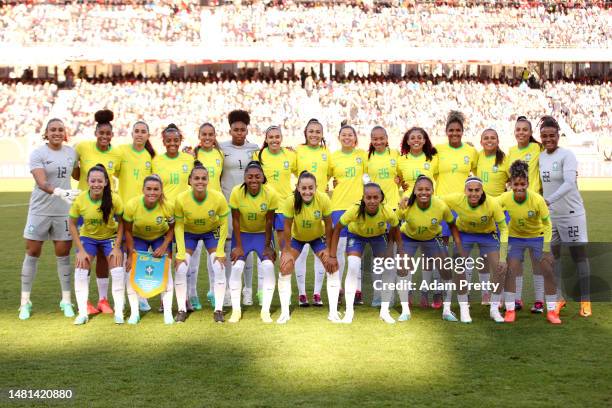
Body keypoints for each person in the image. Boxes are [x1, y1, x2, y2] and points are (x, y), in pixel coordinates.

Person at [19, 118, 79, 320]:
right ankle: (24, 303)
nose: (57, 132)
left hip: (64, 211)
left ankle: (66, 300)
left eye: (60, 129)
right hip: (40, 210)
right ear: (46, 132)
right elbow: (42, 182)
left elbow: (80, 174)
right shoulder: (38, 153)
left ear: (65, 132)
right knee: (33, 251)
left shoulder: (71, 152)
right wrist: (60, 192)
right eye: (53, 129)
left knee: (63, 253)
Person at [538, 115, 592, 318]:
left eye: (552, 135)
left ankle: (585, 300)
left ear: (558, 135)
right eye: (544, 136)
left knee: (579, 257)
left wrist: (548, 200)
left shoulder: (567, 155)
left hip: (571, 214)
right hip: (552, 217)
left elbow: (569, 183)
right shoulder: (541, 156)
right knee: (554, 258)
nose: (548, 139)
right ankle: (559, 298)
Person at [497, 160, 561, 324]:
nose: (519, 187)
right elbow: (491, 209)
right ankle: (510, 310)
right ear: (510, 184)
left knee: (547, 269)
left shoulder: (537, 200)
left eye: (522, 184)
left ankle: (552, 311)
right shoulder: (504, 198)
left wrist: (546, 249)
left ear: (528, 183)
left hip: (537, 236)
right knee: (511, 270)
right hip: (515, 237)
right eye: (515, 184)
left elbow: (547, 224)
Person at [329, 183, 403, 324]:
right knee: (353, 266)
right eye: (368, 197)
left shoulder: (387, 211)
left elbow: (395, 227)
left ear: (381, 198)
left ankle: (384, 311)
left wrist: (395, 250)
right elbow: (337, 228)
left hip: (378, 236)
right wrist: (332, 255)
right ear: (363, 198)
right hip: (356, 236)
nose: (372, 201)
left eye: (376, 197)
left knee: (388, 267)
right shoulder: (354, 210)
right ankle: (349, 313)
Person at [73, 109, 123, 315]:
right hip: (84, 209)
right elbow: (75, 172)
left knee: (104, 257)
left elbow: (119, 177)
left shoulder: (117, 154)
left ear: (112, 135)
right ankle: (84, 303)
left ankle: (103, 300)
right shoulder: (82, 147)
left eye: (107, 134)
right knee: (83, 257)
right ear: (96, 134)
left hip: (106, 209)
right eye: (101, 133)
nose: (104, 137)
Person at [441, 177, 508, 323]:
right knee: (459, 267)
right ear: (464, 191)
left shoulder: (492, 203)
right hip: (464, 234)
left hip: (487, 235)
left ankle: (494, 309)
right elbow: (435, 200)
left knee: (499, 267)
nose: (473, 193)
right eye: (470, 190)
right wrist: (409, 199)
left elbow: (503, 229)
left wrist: (503, 257)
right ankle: (464, 308)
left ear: (482, 190)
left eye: (477, 190)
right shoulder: (457, 199)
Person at [397, 175, 462, 322]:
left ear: (433, 190)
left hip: (433, 238)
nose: (424, 192)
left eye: (427, 189)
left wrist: (459, 245)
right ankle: (405, 310)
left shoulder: (440, 206)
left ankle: (446, 310)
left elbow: (452, 224)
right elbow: (395, 224)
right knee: (402, 267)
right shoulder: (406, 205)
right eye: (420, 189)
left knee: (445, 268)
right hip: (409, 237)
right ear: (414, 191)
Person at [68, 164, 125, 325]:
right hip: (88, 238)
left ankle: (119, 311)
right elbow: (72, 224)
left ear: (106, 182)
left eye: (100, 181)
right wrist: (79, 250)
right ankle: (82, 313)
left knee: (118, 270)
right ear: (87, 182)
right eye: (93, 181)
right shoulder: (80, 199)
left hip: (110, 238)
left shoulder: (114, 198)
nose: (96, 184)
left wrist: (117, 247)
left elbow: (122, 223)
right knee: (80, 268)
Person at [279, 171, 339, 324]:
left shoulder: (323, 199)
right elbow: (286, 227)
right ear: (298, 188)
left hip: (317, 238)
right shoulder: (290, 201)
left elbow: (329, 225)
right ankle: (285, 313)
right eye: (303, 188)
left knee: (332, 266)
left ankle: (333, 313)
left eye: (310, 188)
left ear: (316, 187)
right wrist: (285, 252)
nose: (307, 191)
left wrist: (329, 250)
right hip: (297, 239)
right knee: (285, 266)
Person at [173, 161, 229, 323]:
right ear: (190, 181)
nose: (200, 181)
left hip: (211, 233)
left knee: (218, 266)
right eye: (196, 178)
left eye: (203, 178)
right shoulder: (181, 199)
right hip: (189, 234)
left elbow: (224, 223)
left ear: (208, 180)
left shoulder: (218, 198)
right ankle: (182, 309)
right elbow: (179, 226)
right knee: (181, 268)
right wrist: (181, 253)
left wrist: (220, 251)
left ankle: (218, 309)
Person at [435, 111, 478, 309]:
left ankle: (464, 290)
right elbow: (429, 175)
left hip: (464, 207)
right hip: (442, 207)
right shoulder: (438, 150)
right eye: (451, 130)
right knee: (440, 250)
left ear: (462, 131)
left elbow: (478, 175)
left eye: (458, 130)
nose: (454, 133)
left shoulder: (470, 151)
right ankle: (440, 290)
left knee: (463, 250)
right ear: (446, 131)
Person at [228, 161, 277, 323]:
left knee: (269, 266)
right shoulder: (236, 192)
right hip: (242, 235)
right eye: (250, 177)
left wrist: (268, 245)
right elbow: (235, 220)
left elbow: (270, 221)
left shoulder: (270, 194)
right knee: (236, 268)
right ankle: (236, 310)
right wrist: (238, 246)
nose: (253, 180)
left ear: (263, 178)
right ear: (244, 178)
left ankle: (265, 311)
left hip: (262, 235)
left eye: (257, 176)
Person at [219, 110, 260, 307]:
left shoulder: (254, 148)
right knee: (229, 246)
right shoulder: (221, 148)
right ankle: (227, 290)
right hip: (228, 205)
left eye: (243, 130)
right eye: (236, 129)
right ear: (230, 130)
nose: (239, 133)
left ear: (246, 130)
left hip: (248, 205)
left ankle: (248, 290)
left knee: (248, 246)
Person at [123, 175, 175, 325]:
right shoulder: (132, 205)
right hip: (138, 237)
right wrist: (131, 254)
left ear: (161, 191)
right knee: (132, 271)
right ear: (143, 190)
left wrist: (164, 245)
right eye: (149, 189)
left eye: (156, 189)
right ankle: (134, 313)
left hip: (160, 237)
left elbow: (172, 228)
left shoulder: (167, 206)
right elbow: (127, 230)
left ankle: (167, 313)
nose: (152, 192)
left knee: (166, 272)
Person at [397, 126, 439, 308]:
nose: (416, 140)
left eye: (419, 137)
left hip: (429, 208)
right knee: (407, 254)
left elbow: (438, 180)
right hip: (408, 208)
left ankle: (425, 292)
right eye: (412, 137)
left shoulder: (433, 159)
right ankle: (408, 292)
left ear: (424, 140)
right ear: (407, 140)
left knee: (428, 256)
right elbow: (396, 180)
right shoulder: (400, 160)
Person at [117, 121, 155, 312]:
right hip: (124, 214)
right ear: (131, 133)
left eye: (143, 132)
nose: (139, 134)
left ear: (148, 135)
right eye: (137, 131)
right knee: (126, 257)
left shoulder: (150, 157)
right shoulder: (121, 151)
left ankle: (141, 296)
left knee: (140, 256)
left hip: (144, 213)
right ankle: (125, 296)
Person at [508, 116, 544, 312]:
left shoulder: (537, 149)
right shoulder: (511, 152)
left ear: (530, 133)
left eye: (525, 129)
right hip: (515, 210)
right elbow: (508, 180)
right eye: (518, 129)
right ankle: (517, 299)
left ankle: (539, 301)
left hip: (535, 209)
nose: (521, 132)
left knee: (536, 259)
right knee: (517, 259)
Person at [257, 125, 297, 302]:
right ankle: (261, 291)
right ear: (266, 139)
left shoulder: (290, 155)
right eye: (270, 137)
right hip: (264, 209)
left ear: (282, 138)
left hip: (283, 209)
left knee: (284, 249)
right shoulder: (258, 156)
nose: (274, 140)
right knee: (263, 248)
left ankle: (285, 293)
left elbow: (302, 173)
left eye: (277, 136)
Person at [328, 125, 367, 304]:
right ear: (339, 137)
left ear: (355, 137)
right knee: (339, 249)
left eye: (350, 135)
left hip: (359, 207)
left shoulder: (362, 155)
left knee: (356, 250)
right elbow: (325, 178)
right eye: (344, 135)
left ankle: (357, 289)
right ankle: (338, 288)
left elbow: (369, 177)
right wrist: (331, 185)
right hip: (338, 207)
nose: (347, 138)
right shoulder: (333, 157)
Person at [294, 119, 330, 307]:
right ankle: (301, 293)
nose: (314, 134)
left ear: (322, 134)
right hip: (301, 205)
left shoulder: (326, 153)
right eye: (311, 131)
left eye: (318, 131)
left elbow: (332, 174)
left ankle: (316, 293)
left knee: (320, 253)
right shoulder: (298, 151)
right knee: (300, 252)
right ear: (305, 133)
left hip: (319, 207)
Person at [364, 126, 402, 308]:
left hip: (392, 210)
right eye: (375, 139)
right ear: (371, 140)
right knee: (377, 258)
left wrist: (399, 181)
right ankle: (377, 296)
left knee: (391, 255)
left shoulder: (395, 154)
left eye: (381, 138)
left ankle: (389, 296)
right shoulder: (367, 157)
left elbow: (403, 176)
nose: (378, 142)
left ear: (387, 139)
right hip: (374, 211)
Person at [189, 122, 224, 311]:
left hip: (215, 211)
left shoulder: (220, 154)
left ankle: (212, 291)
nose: (208, 137)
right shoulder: (193, 155)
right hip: (195, 210)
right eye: (204, 134)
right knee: (193, 256)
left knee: (214, 256)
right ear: (199, 135)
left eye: (211, 134)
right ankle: (192, 294)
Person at [475, 128, 509, 305]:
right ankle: (485, 294)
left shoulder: (505, 159)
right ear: (481, 141)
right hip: (481, 213)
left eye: (493, 138)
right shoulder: (477, 157)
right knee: (482, 257)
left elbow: (516, 181)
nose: (489, 140)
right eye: (486, 138)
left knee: (498, 256)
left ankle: (500, 293)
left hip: (500, 213)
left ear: (498, 140)